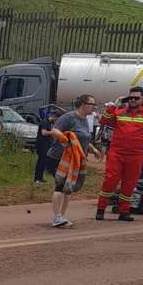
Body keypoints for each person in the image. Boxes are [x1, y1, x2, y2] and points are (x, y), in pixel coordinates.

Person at [95, 85, 143, 222]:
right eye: (130, 97)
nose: (133, 100)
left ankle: (124, 212)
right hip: (116, 153)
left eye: (136, 98)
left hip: (136, 155)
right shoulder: (119, 111)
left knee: (129, 184)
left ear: (142, 99)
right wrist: (114, 105)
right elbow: (104, 121)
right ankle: (100, 209)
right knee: (110, 180)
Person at [44, 95, 101, 227]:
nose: (94, 107)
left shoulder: (86, 120)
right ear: (83, 104)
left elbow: (84, 139)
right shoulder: (69, 117)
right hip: (59, 157)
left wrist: (93, 149)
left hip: (75, 160)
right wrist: (66, 141)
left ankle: (61, 217)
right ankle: (57, 217)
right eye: (92, 104)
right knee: (61, 185)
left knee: (68, 188)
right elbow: (54, 131)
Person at [34, 111, 57, 183]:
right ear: (52, 116)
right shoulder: (44, 122)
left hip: (47, 145)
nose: (55, 120)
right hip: (42, 145)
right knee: (41, 161)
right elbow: (43, 133)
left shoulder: (49, 123)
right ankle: (37, 178)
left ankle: (40, 177)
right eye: (55, 118)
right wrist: (52, 133)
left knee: (44, 162)